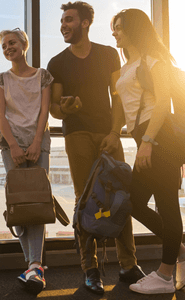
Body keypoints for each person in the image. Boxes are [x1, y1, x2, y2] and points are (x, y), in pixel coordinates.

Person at [46, 1, 145, 295]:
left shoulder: (108, 54)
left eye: (69, 20)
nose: (63, 25)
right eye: (62, 21)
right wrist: (63, 107)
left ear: (86, 23)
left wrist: (116, 132)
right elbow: (54, 108)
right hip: (76, 134)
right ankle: (90, 269)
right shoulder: (57, 62)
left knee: (120, 195)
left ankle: (128, 265)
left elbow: (118, 97)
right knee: (85, 199)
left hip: (108, 133)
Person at [111, 8, 185, 294]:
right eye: (113, 27)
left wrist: (149, 141)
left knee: (165, 205)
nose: (115, 32)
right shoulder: (128, 66)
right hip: (145, 141)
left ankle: (166, 275)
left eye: (119, 27)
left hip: (159, 139)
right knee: (135, 203)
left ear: (135, 29)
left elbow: (164, 103)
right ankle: (184, 255)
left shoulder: (155, 61)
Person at [0, 28, 53, 296]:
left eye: (12, 43)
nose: (8, 48)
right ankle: (33, 265)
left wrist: (37, 141)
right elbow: (0, 115)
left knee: (38, 204)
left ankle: (35, 265)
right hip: (12, 147)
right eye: (4, 45)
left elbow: (44, 111)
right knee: (19, 205)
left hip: (39, 144)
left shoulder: (43, 76)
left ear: (24, 44)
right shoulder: (1, 79)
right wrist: (14, 145)